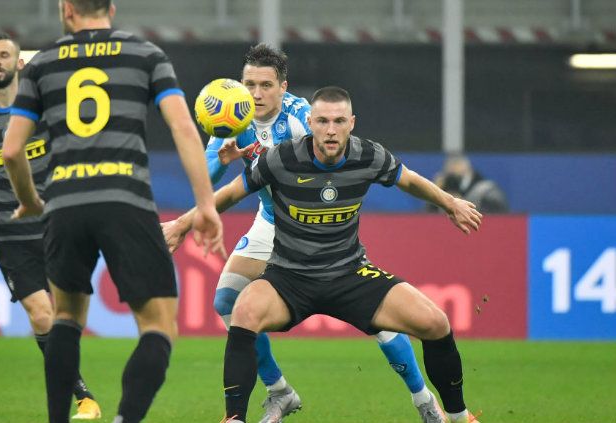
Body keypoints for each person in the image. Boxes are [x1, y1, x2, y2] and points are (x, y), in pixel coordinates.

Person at [163, 45, 444, 423]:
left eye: (265, 85)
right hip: (270, 220)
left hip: (317, 223)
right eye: (249, 84)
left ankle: (424, 399)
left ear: (283, 87)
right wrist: (225, 155)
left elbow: (340, 154)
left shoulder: (301, 118)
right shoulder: (232, 113)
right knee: (227, 300)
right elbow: (207, 176)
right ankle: (279, 391)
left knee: (378, 316)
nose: (256, 94)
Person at [1, 1, 225, 422]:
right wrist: (206, 204)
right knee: (158, 325)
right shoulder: (146, 55)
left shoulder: (42, 63)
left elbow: (12, 150)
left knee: (66, 318)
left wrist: (29, 200)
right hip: (126, 200)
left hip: (65, 204)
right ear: (112, 7)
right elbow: (182, 127)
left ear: (67, 9)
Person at [0, 32, 101, 420]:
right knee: (41, 314)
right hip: (10, 234)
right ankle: (83, 397)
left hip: (55, 226)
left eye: (4, 55)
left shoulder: (44, 110)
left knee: (65, 317)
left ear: (19, 64)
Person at [430, 155, 508, 214]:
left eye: (455, 165)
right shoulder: (444, 184)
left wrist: (462, 201)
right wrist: (436, 190)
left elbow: (495, 215)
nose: (452, 169)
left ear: (465, 166)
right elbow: (430, 213)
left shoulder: (484, 188)